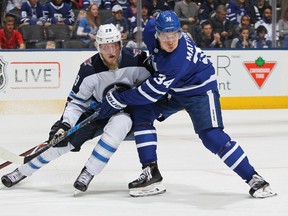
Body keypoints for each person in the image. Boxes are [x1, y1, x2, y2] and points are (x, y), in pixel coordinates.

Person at [95, 10, 277, 198]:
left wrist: (118, 99)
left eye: (175, 35)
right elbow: (151, 22)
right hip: (176, 89)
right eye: (166, 36)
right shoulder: (150, 30)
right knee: (142, 111)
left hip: (200, 91)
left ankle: (255, 179)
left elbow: (149, 93)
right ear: (157, 33)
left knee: (211, 136)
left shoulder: (176, 60)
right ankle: (151, 172)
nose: (171, 40)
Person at [1, 24, 151, 194]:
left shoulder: (137, 60)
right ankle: (20, 172)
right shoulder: (88, 69)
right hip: (97, 112)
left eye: (114, 45)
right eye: (105, 47)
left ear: (120, 44)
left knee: (120, 124)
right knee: (61, 142)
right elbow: (77, 102)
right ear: (98, 47)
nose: (111, 51)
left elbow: (154, 84)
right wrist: (65, 125)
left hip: (126, 113)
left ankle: (88, 172)